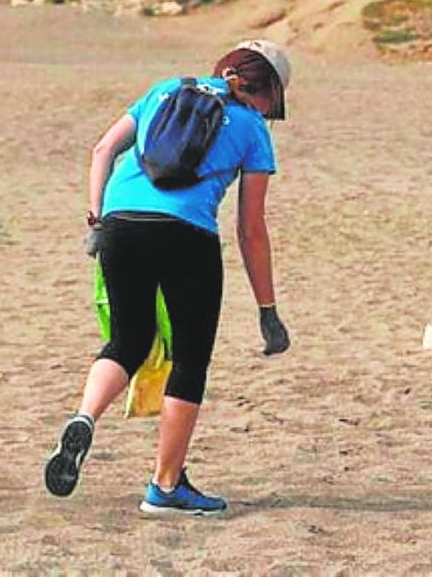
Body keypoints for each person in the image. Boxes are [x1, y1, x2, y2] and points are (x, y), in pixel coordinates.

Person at [44, 39, 292, 516]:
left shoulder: (162, 91)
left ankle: (84, 417)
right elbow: (251, 229)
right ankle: (165, 485)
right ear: (267, 94)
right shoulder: (251, 127)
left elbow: (103, 149)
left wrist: (97, 219)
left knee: (128, 340)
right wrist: (268, 311)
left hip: (119, 225)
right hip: (186, 237)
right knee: (190, 360)